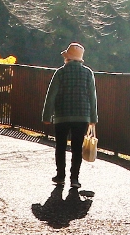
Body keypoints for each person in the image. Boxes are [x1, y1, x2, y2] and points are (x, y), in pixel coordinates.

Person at [42, 42, 98, 189]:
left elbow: (51, 95)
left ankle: (60, 176)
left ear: (67, 58)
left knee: (60, 146)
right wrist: (93, 118)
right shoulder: (88, 73)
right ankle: (75, 179)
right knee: (77, 148)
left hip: (62, 115)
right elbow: (92, 97)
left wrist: (47, 116)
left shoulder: (60, 73)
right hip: (82, 116)